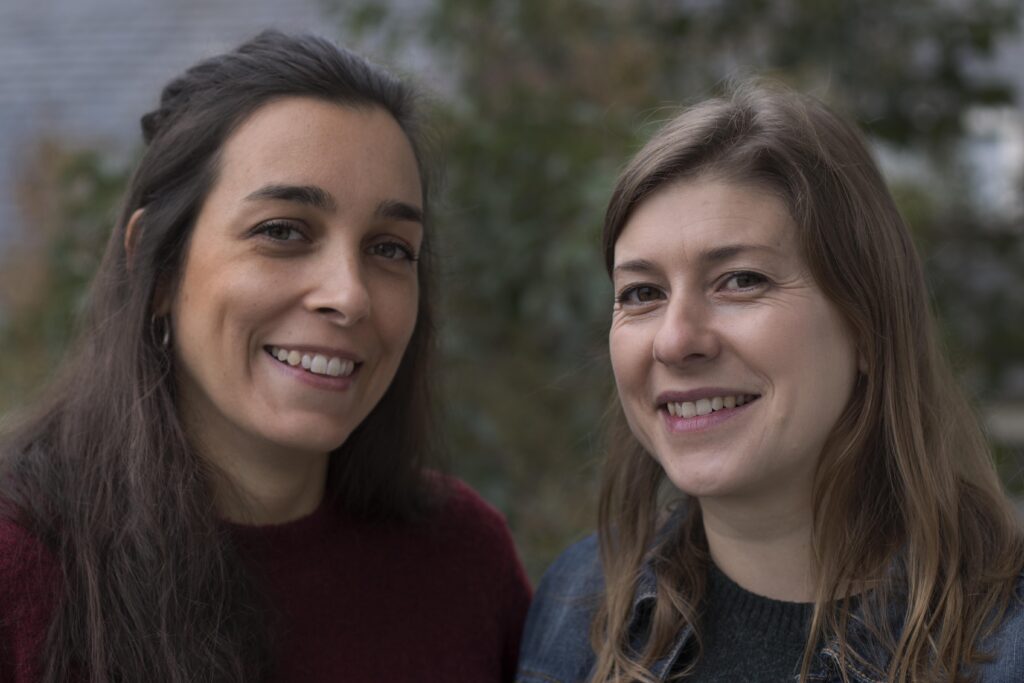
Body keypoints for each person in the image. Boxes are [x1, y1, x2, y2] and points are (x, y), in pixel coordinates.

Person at [0, 31, 530, 682]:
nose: (349, 295)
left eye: (390, 247)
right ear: (157, 267)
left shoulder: (465, 561)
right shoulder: (17, 564)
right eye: (283, 231)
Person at [516, 81, 1024, 683]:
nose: (675, 340)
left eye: (741, 280)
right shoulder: (580, 605)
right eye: (643, 293)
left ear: (867, 325)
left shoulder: (1006, 644)